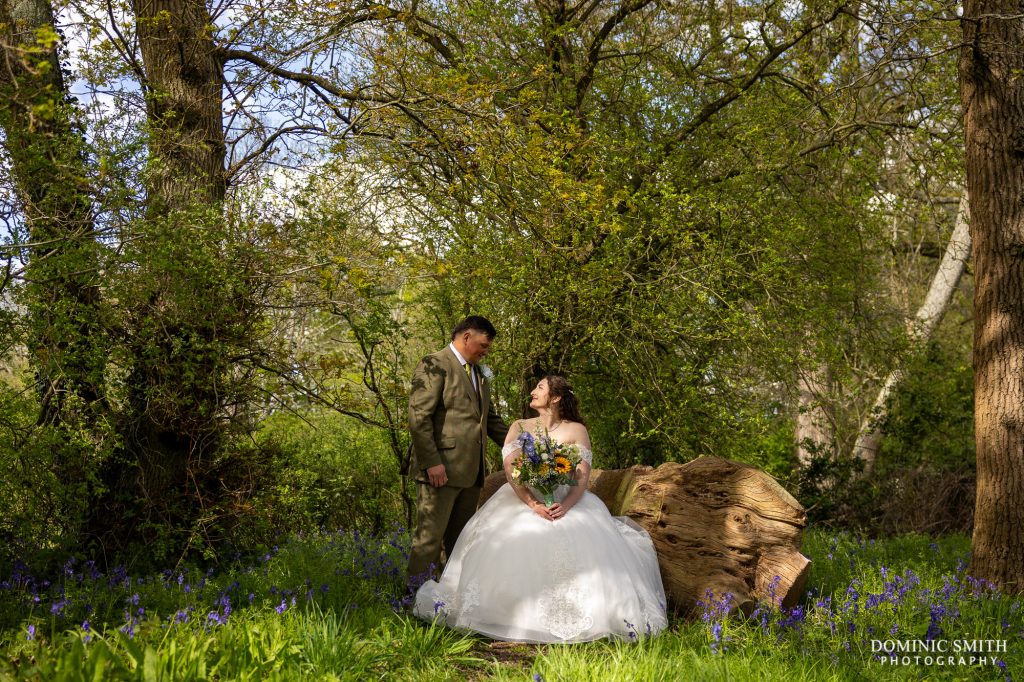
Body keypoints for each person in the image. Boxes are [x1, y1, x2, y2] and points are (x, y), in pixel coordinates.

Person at [413, 375, 668, 643]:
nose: (533, 392)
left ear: (555, 398)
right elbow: (512, 471)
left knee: (581, 537)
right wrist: (532, 503)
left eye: (540, 388)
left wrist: (566, 505)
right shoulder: (519, 426)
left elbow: (581, 475)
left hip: (567, 500)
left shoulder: (576, 430)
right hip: (522, 499)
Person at [406, 316, 510, 585]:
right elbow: (419, 417)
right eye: (484, 345)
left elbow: (489, 420)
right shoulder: (435, 364)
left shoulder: (479, 374)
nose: (486, 351)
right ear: (466, 337)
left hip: (470, 473)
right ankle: (413, 602)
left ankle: (447, 600)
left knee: (460, 541)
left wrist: (523, 445)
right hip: (440, 469)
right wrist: (432, 462)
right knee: (429, 540)